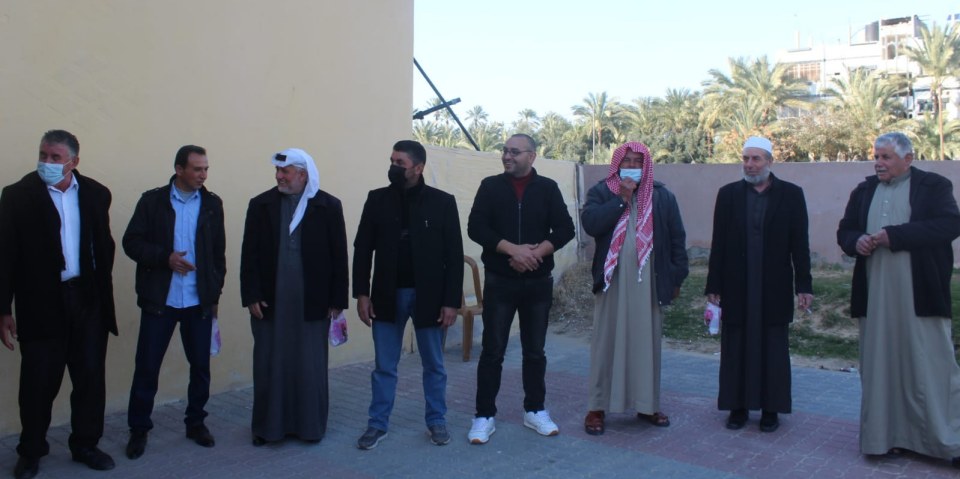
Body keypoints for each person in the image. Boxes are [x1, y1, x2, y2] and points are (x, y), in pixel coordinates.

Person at [836, 132, 960, 467]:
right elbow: (845, 230)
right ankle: (884, 438)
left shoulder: (933, 186)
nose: (878, 163)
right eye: (876, 156)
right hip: (875, 296)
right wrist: (856, 241)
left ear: (908, 158)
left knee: (931, 364)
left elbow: (949, 225)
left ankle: (946, 442)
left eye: (886, 157)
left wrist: (896, 236)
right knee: (881, 365)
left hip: (921, 294)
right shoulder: (863, 190)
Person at [0, 130, 117, 479]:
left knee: (90, 378)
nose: (47, 162)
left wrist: (98, 293)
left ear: (73, 161)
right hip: (42, 303)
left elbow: (104, 245)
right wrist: (4, 309)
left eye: (55, 157)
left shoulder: (95, 193)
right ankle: (31, 451)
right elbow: (5, 255)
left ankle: (86, 444)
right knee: (38, 383)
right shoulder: (18, 196)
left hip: (87, 300)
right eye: (43, 155)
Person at [352, 140, 463, 449]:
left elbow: (454, 256)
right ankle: (377, 424)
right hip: (386, 296)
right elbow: (363, 248)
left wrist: (451, 302)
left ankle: (436, 420)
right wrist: (361, 293)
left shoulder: (442, 202)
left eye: (399, 163)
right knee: (384, 366)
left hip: (429, 298)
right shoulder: (377, 200)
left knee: (434, 365)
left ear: (418, 167)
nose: (393, 167)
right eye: (392, 161)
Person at [466, 133, 575, 444]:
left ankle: (535, 409)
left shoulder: (548, 188)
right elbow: (476, 227)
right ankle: (484, 415)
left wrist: (535, 253)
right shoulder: (490, 186)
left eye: (514, 152)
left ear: (531, 156)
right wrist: (511, 250)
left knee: (535, 351)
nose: (507, 156)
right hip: (500, 281)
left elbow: (565, 228)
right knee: (492, 351)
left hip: (538, 283)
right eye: (505, 151)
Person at [122, 145, 226, 459]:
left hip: (197, 301)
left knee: (201, 367)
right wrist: (164, 258)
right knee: (147, 367)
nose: (203, 175)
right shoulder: (152, 201)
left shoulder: (212, 203)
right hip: (160, 300)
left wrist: (214, 294)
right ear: (179, 169)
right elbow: (131, 242)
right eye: (197, 169)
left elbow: (218, 254)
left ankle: (196, 423)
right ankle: (139, 429)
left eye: (206, 169)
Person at [239, 148, 348, 446]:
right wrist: (251, 294)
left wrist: (337, 300)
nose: (279, 176)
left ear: (302, 174)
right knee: (268, 362)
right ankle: (267, 428)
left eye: (284, 171)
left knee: (309, 365)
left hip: (312, 301)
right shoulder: (261, 205)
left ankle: (309, 428)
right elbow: (249, 254)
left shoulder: (328, 206)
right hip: (270, 301)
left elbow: (339, 256)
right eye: (277, 171)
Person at [704, 136, 813, 433]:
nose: (750, 165)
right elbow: (719, 243)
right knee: (736, 347)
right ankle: (737, 408)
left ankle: (770, 410)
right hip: (736, 285)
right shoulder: (728, 195)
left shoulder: (791, 195)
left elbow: (799, 244)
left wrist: (804, 286)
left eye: (756, 159)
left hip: (774, 286)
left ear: (769, 162)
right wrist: (714, 285)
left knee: (772, 348)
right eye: (746, 159)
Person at [580, 142, 688, 435]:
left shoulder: (662, 196)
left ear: (646, 166)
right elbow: (591, 225)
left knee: (645, 342)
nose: (631, 166)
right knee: (606, 342)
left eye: (637, 162)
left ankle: (646, 404)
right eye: (626, 161)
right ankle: (597, 407)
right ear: (617, 164)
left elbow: (677, 238)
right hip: (611, 280)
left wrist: (676, 278)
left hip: (649, 281)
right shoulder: (602, 191)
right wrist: (621, 199)